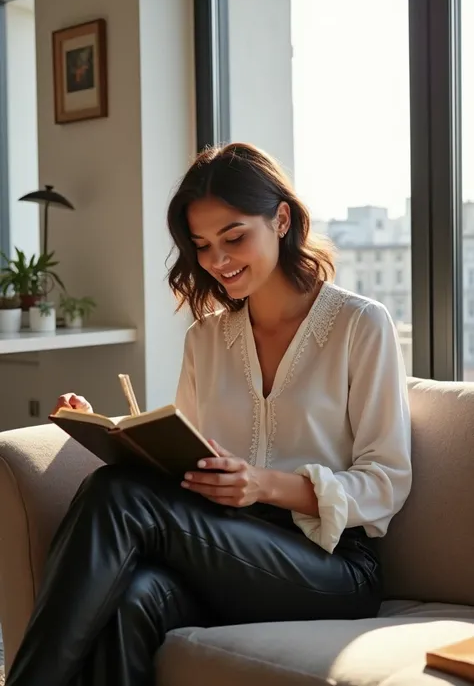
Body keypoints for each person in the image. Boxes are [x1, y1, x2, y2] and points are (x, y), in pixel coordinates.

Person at [6, 143, 412, 686]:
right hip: (229, 547)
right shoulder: (207, 338)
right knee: (131, 600)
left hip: (332, 567)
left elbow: (386, 481)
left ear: (281, 219)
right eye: (201, 245)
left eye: (234, 237)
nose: (217, 260)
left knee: (116, 492)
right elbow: (185, 462)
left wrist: (264, 486)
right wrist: (105, 431)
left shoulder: (360, 325)